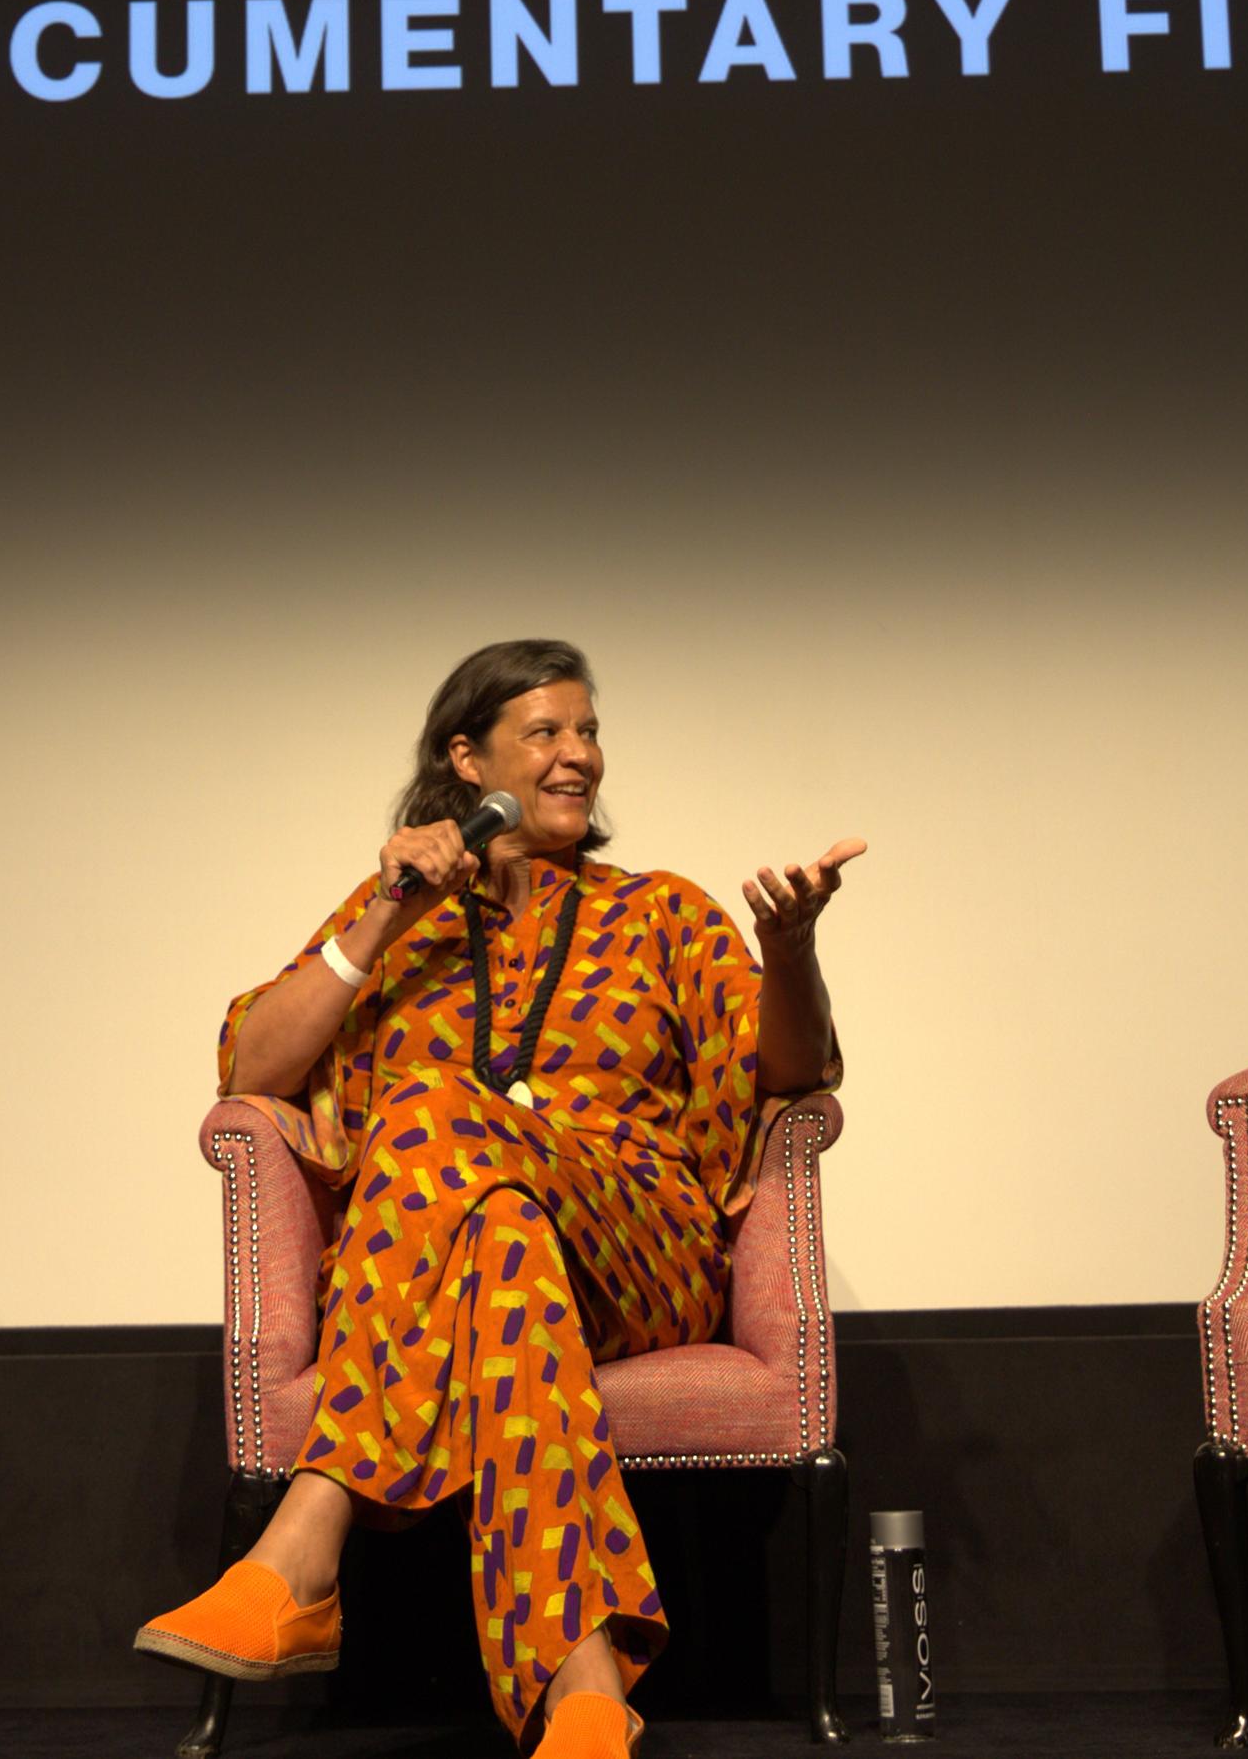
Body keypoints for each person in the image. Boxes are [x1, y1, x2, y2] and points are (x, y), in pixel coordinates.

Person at [132, 638, 862, 1759]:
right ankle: (584, 1687)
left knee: (428, 1107)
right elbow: (253, 1072)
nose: (580, 756)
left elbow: (791, 1074)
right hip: (467, 1261)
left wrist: (792, 948)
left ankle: (304, 1543)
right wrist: (383, 914)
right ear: (466, 762)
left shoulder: (661, 913)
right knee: (503, 1238)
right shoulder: (400, 919)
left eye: (588, 731)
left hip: (638, 1249)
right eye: (547, 733)